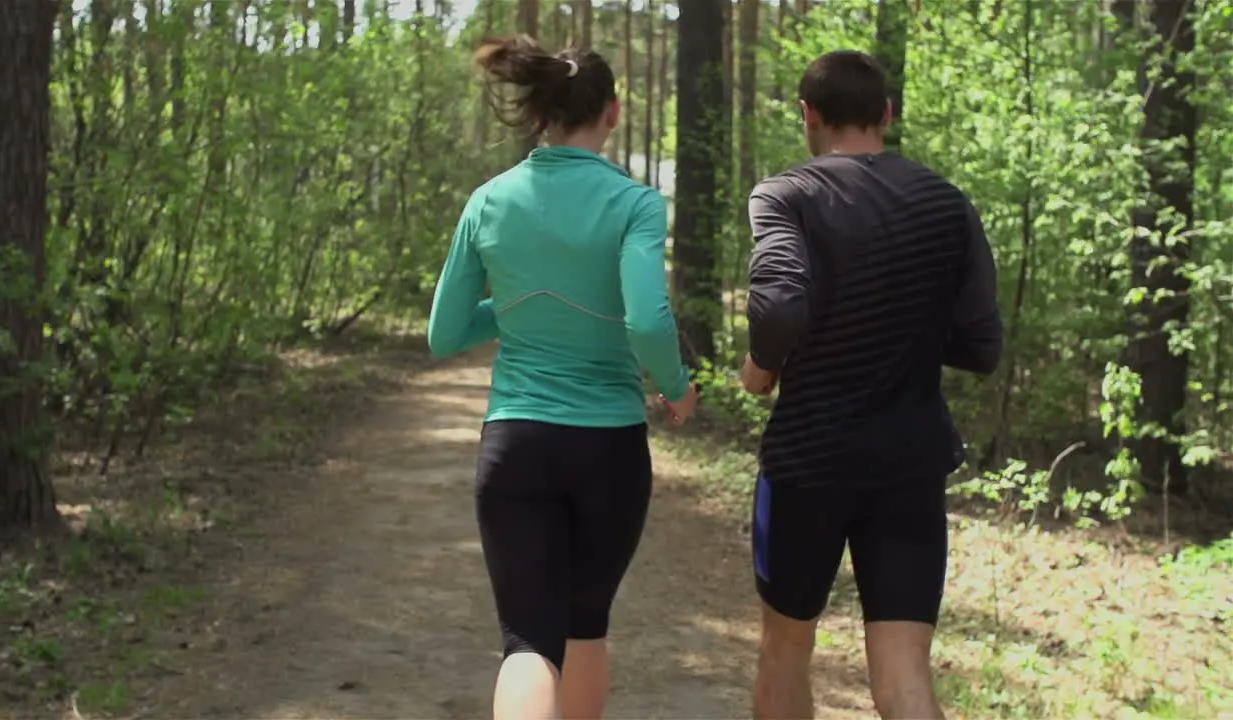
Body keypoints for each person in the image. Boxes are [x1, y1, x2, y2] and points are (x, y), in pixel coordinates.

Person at [426, 34, 701, 720]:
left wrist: (522, 302)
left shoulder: (489, 200)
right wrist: (674, 385)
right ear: (612, 113)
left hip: (515, 444)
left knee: (528, 641)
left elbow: (445, 333)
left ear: (543, 111)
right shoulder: (636, 204)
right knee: (586, 626)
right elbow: (645, 319)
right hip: (608, 449)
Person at [739, 50, 1004, 720]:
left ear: (809, 116)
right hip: (908, 463)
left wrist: (760, 370)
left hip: (807, 462)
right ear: (887, 114)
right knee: (903, 672)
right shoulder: (946, 202)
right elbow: (981, 345)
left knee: (786, 651)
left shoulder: (786, 195)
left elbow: (777, 308)